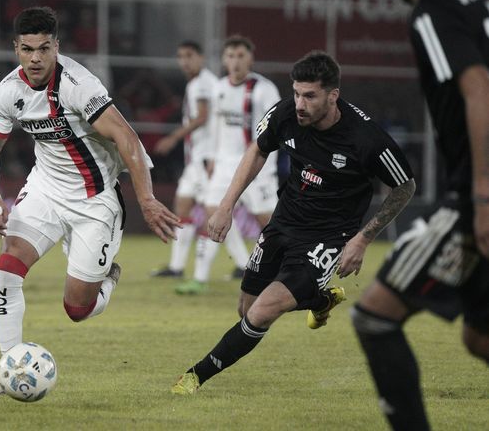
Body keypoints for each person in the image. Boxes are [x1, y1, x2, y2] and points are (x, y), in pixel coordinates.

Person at [171, 50, 416, 395]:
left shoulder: (366, 138)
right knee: (246, 308)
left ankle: (194, 377)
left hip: (328, 237)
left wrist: (362, 239)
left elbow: (405, 186)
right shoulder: (286, 113)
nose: (300, 103)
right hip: (283, 222)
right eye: (297, 93)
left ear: (333, 96)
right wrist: (227, 205)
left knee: (263, 312)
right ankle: (319, 300)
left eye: (310, 96)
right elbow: (257, 150)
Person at [0, 7, 180, 395]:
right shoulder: (8, 92)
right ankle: (9, 370)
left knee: (77, 310)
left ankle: (107, 279)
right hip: (45, 190)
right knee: (6, 271)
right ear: (15, 49)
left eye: (43, 48)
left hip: (94, 202)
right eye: (26, 49)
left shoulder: (78, 86)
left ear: (57, 46)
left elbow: (127, 138)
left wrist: (148, 200)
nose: (35, 58)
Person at [351, 0, 489, 429]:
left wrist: (483, 195)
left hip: (475, 194)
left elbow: (478, 91)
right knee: (478, 336)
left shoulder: (432, 10)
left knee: (375, 315)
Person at [175, 35, 281, 294]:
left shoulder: (264, 90)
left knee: (270, 224)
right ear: (224, 60)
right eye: (231, 56)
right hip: (223, 166)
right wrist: (212, 158)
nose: (235, 61)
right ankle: (199, 279)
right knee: (213, 217)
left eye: (241, 56)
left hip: (257, 167)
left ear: (250, 59)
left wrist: (269, 167)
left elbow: (276, 131)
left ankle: (288, 270)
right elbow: (215, 129)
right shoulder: (219, 87)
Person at [151, 41, 245, 279]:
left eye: (189, 56)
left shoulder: (203, 83)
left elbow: (202, 117)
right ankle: (176, 267)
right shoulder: (202, 82)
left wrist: (173, 137)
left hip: (207, 159)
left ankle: (244, 265)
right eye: (181, 56)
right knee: (183, 206)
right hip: (197, 159)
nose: (185, 61)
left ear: (201, 58)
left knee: (214, 212)